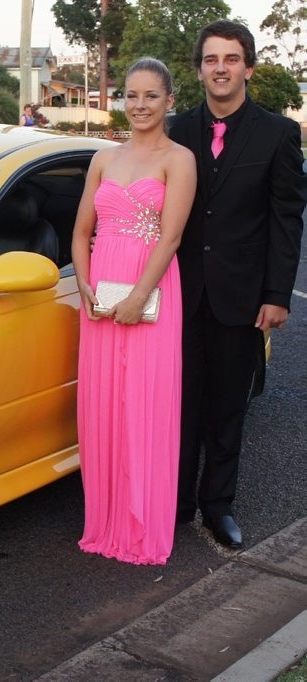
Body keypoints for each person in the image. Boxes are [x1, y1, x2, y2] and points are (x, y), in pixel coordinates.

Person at [168, 20, 305, 549]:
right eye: (210, 59)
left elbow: (285, 218)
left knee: (227, 406)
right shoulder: (177, 129)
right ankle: (177, 502)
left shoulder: (277, 133)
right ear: (200, 68)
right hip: (178, 294)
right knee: (179, 404)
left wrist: (276, 295)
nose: (220, 68)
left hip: (243, 297)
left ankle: (217, 505)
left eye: (230, 59)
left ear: (248, 67)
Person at [71, 57, 197, 565]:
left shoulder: (179, 159)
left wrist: (139, 297)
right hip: (100, 300)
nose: (139, 106)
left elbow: (172, 237)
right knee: (103, 405)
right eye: (131, 95)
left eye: (150, 96)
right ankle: (105, 519)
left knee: (145, 405)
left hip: (152, 293)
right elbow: (81, 232)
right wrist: (83, 283)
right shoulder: (104, 158)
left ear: (169, 100)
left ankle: (143, 525)